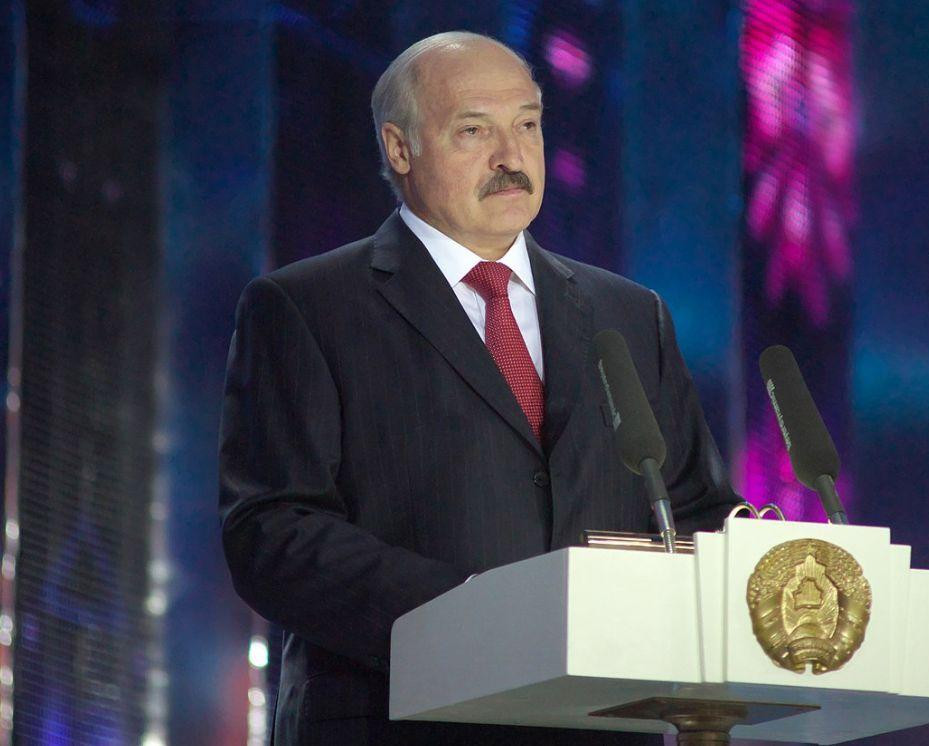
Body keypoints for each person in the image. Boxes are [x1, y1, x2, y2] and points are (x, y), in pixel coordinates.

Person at [219, 31, 739, 745]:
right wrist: (469, 615)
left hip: (600, 726)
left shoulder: (628, 314)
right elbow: (272, 531)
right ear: (400, 149)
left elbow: (693, 508)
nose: (511, 157)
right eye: (474, 131)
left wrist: (772, 566)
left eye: (527, 125)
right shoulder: (307, 307)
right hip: (398, 721)